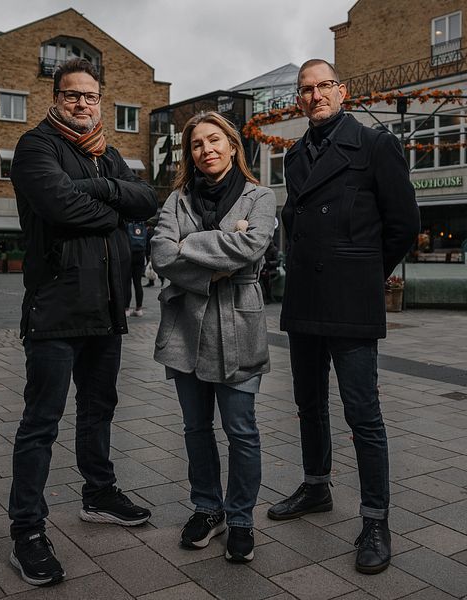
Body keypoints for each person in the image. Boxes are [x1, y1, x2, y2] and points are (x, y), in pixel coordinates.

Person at [8, 58, 157, 586]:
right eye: (73, 95)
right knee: (40, 425)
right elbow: (58, 207)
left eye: (91, 97)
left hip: (106, 310)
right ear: (55, 97)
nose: (83, 104)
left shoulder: (108, 151)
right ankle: (27, 530)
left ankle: (98, 494)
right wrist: (117, 205)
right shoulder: (35, 147)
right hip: (55, 310)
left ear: (100, 100)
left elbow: (147, 199)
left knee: (99, 410)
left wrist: (107, 195)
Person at [268, 59, 420, 575]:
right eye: (305, 90)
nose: (314, 96)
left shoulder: (375, 145)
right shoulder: (293, 156)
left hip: (351, 300)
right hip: (306, 298)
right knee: (308, 404)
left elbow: (404, 223)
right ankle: (316, 486)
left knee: (363, 415)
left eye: (323, 86)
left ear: (343, 90)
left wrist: (363, 273)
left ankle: (376, 519)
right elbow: (295, 218)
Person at [151, 111, 276, 563]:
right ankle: (208, 508)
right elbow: (162, 253)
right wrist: (215, 252)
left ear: (232, 145)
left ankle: (240, 518)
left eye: (214, 140)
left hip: (239, 325)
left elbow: (251, 248)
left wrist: (191, 246)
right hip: (186, 327)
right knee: (195, 428)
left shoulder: (261, 197)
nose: (206, 150)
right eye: (197, 144)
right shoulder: (177, 199)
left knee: (241, 430)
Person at [125, 221, 147, 317]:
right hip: (140, 255)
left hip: (129, 254)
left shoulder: (127, 224)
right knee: (138, 283)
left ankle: (126, 309)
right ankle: (139, 309)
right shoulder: (142, 225)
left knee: (127, 283)